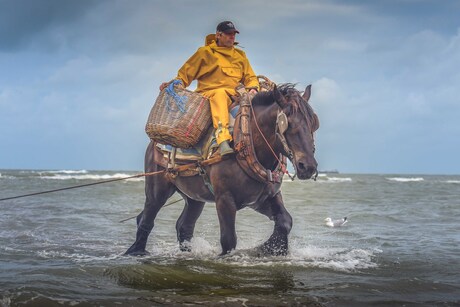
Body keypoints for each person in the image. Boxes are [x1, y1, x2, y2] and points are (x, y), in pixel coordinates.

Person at [160, 21, 259, 156]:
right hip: (210, 94)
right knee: (220, 95)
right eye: (229, 34)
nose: (232, 37)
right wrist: (176, 84)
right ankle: (222, 140)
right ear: (218, 35)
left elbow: (250, 77)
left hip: (234, 95)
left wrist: (253, 88)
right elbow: (185, 74)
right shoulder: (204, 53)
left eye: (234, 34)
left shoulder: (240, 55)